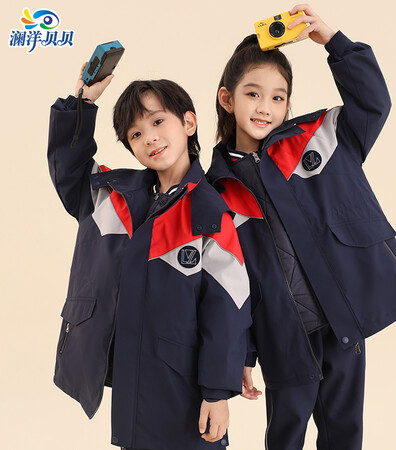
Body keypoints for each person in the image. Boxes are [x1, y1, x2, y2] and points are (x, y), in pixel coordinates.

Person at [206, 4, 396, 449]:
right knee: (284, 436)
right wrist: (245, 352)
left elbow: (373, 102)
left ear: (289, 102)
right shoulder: (215, 190)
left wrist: (334, 43)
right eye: (253, 94)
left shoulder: (321, 136)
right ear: (227, 99)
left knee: (344, 433)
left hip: (342, 324)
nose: (265, 108)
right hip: (282, 337)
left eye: (278, 97)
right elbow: (230, 283)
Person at [48, 65, 251, 450]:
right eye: (136, 134)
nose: (150, 138)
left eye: (158, 121)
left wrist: (218, 392)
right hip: (133, 376)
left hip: (183, 382)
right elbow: (70, 170)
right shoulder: (112, 195)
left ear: (188, 122)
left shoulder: (209, 213)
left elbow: (227, 308)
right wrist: (81, 103)